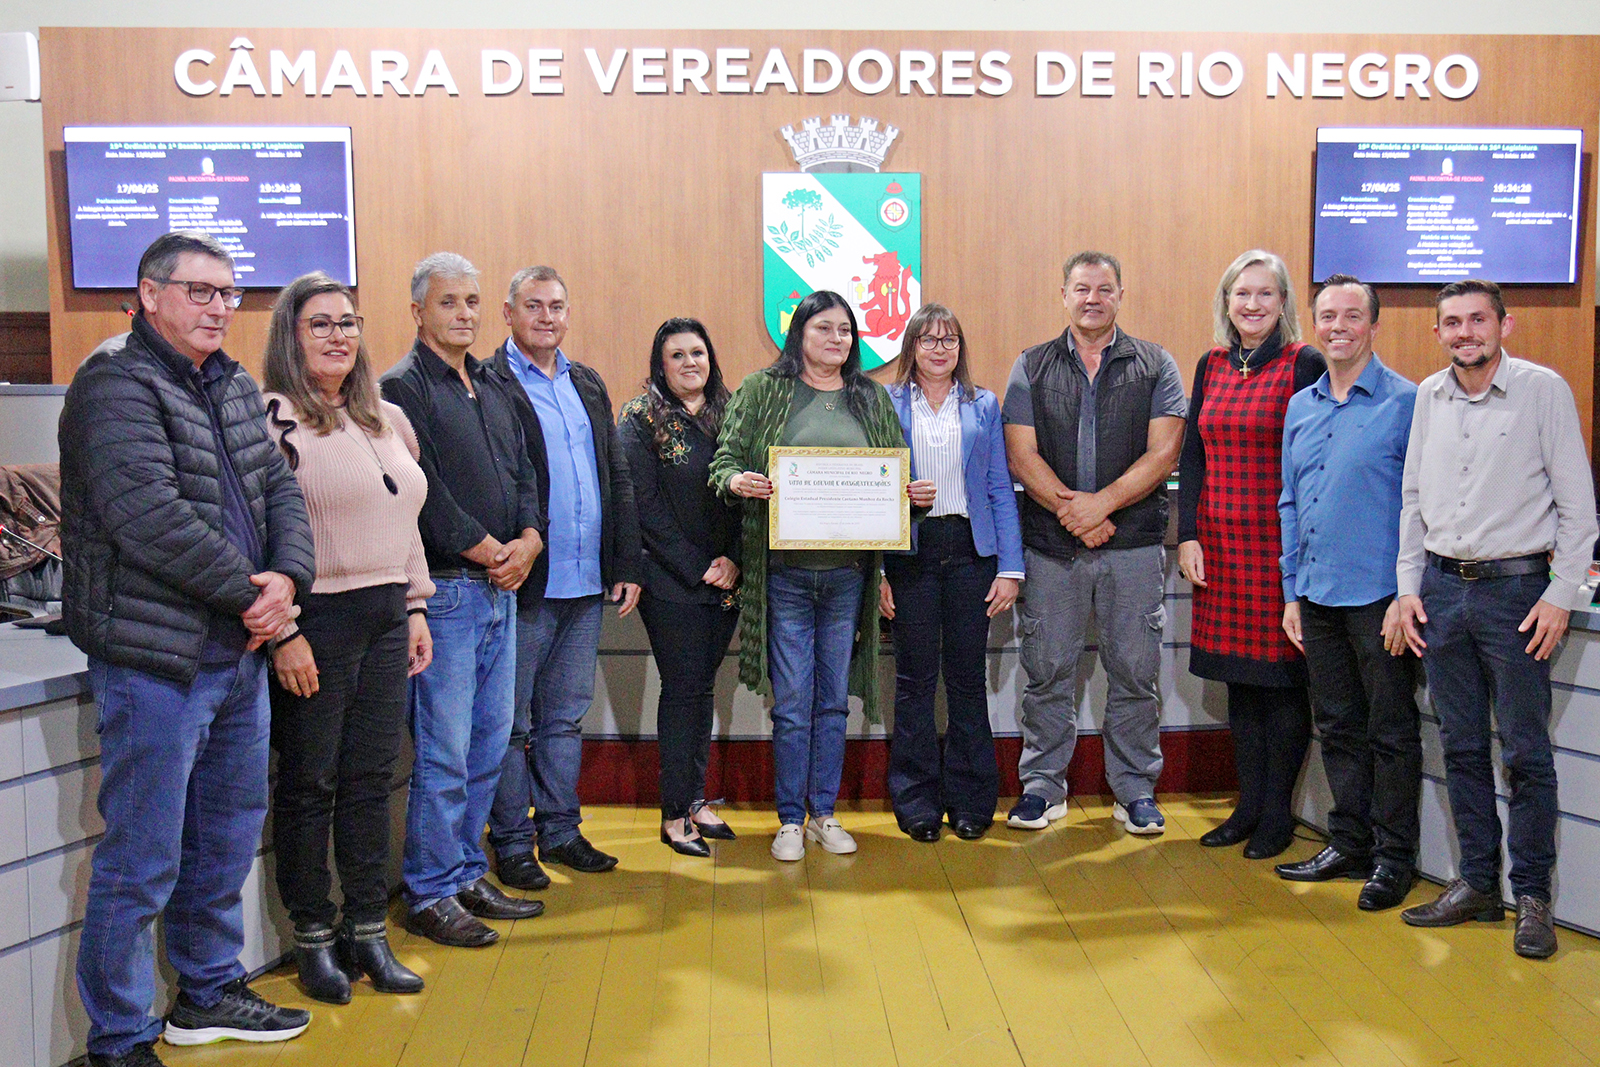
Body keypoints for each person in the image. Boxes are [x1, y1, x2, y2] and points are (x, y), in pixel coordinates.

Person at [60, 231, 316, 1067]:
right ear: (149, 293)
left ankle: (206, 994)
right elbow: (150, 521)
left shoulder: (234, 383)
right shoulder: (113, 385)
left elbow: (280, 485)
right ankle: (122, 1037)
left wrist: (287, 577)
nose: (217, 307)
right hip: (156, 663)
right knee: (141, 859)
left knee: (225, 838)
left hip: (235, 655)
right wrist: (257, 597)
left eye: (228, 293)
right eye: (200, 291)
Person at [1390, 279, 1597, 959]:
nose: (1465, 332)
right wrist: (1406, 586)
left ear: (1503, 325)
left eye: (1478, 319)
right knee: (1462, 746)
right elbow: (1413, 498)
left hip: (1518, 596)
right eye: (1452, 322)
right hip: (1443, 591)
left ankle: (1531, 897)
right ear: (1439, 332)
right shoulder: (1428, 396)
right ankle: (1477, 882)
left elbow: (1577, 507)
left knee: (1526, 753)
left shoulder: (1543, 390)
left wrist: (1561, 592)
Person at [260, 272, 432, 1003]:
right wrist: (284, 631)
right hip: (316, 620)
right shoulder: (270, 420)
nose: (338, 335)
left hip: (387, 613)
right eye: (320, 323)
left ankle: (368, 929)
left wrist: (417, 604)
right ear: (291, 337)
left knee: (369, 780)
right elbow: (259, 536)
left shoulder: (386, 417)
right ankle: (313, 937)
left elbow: (407, 518)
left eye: (349, 322)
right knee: (311, 784)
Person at [711, 290, 929, 861]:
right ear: (799, 335)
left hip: (847, 579)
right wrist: (738, 482)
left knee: (833, 700)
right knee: (792, 702)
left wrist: (913, 497)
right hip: (781, 575)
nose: (836, 340)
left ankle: (823, 813)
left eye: (845, 331)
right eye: (823, 329)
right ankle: (788, 819)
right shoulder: (763, 390)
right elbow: (724, 462)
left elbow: (895, 472)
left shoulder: (869, 397)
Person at [379, 253, 546, 948]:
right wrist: (485, 548)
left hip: (502, 589)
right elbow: (418, 489)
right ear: (418, 310)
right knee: (445, 750)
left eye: (474, 302)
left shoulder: (491, 382)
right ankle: (429, 887)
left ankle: (465, 867)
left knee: (489, 741)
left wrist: (530, 539)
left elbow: (524, 470)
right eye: (450, 302)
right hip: (446, 589)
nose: (465, 314)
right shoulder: (398, 389)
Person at [1002, 252, 1188, 836]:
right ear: (1063, 294)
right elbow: (1020, 454)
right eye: (1081, 288)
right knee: (1047, 670)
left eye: (1104, 289)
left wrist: (1100, 505)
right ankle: (1042, 787)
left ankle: (1135, 790)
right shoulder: (1030, 365)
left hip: (1131, 548)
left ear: (1120, 295)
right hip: (1052, 550)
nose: (1092, 299)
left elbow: (1165, 454)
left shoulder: (1156, 363)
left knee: (1135, 673)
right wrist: (1073, 510)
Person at [485, 266, 643, 881]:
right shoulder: (492, 382)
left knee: (564, 717)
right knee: (511, 721)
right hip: (526, 582)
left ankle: (560, 830)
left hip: (584, 581)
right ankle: (513, 841)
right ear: (508, 313)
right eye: (533, 306)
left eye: (556, 306)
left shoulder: (587, 382)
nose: (546, 317)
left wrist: (624, 560)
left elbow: (616, 475)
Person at [1274, 275, 1422, 911]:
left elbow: (1423, 505)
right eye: (1327, 315)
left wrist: (1406, 592)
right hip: (1317, 595)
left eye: (1352, 316)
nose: (1338, 326)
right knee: (1335, 725)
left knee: (1390, 730)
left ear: (1373, 325)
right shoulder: (1301, 405)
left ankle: (1394, 860)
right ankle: (1350, 842)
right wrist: (1291, 591)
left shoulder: (1408, 402)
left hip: (1381, 600)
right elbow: (1289, 500)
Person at [1178, 249, 1325, 859]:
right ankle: (1247, 806)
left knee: (1283, 685)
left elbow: (1317, 456)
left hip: (1279, 549)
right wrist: (1187, 533)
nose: (1253, 305)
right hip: (1219, 546)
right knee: (1241, 685)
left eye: (1266, 294)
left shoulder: (1304, 363)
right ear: (1227, 302)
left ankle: (1277, 816)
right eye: (1243, 294)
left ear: (1284, 303)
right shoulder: (1211, 365)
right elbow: (1194, 456)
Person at [880, 304, 1023, 842]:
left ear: (960, 349)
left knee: (966, 681)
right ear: (911, 347)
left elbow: (998, 488)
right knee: (914, 682)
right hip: (910, 552)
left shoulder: (982, 404)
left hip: (971, 552)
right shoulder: (886, 403)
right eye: (928, 339)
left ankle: (969, 799)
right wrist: (879, 574)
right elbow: (871, 489)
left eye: (950, 340)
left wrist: (1010, 567)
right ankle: (916, 801)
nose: (939, 349)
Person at [617, 318, 742, 856]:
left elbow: (752, 491)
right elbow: (642, 506)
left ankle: (695, 799)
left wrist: (734, 560)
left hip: (728, 578)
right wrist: (699, 566)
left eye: (698, 352)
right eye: (677, 355)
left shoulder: (733, 413)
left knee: (701, 689)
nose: (690, 363)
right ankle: (674, 815)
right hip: (671, 581)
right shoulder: (640, 419)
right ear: (659, 364)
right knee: (683, 688)